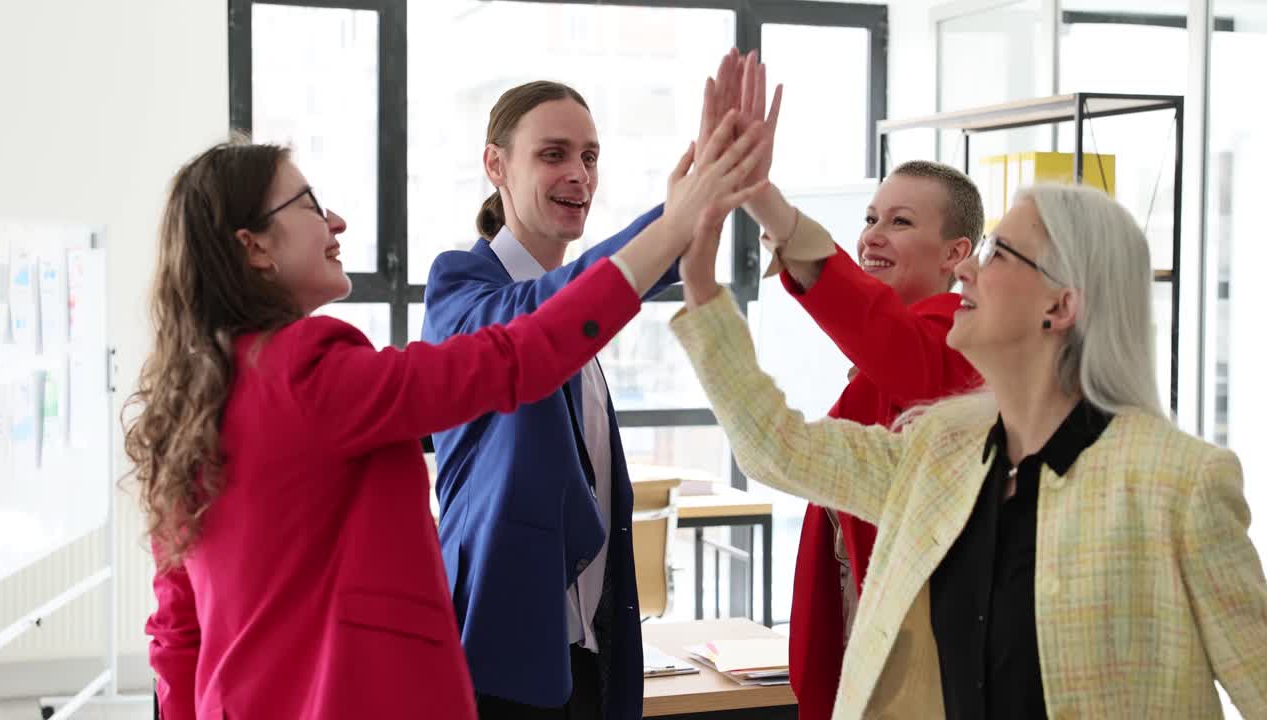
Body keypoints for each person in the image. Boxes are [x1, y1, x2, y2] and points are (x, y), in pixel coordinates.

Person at [128, 122, 763, 719]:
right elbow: (519, 356)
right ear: (255, 246)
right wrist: (676, 224)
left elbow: (177, 633)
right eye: (310, 206)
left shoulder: (190, 399)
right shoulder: (307, 371)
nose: (336, 222)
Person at [673, 179, 1267, 719]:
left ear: (1061, 306)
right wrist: (699, 280)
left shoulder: (1178, 485)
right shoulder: (940, 451)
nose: (966, 273)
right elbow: (777, 447)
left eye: (998, 255)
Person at [422, 53, 766, 719]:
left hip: (587, 650)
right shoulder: (462, 285)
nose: (577, 174)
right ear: (496, 166)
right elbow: (539, 325)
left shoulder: (580, 304)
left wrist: (701, 204)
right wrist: (676, 214)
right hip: (500, 651)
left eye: (589, 156)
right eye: (553, 154)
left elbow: (606, 287)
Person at [747, 158, 982, 719]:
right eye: (871, 217)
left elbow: (877, 328)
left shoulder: (956, 343)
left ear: (956, 254)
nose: (872, 236)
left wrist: (767, 204)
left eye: (900, 222)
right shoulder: (888, 360)